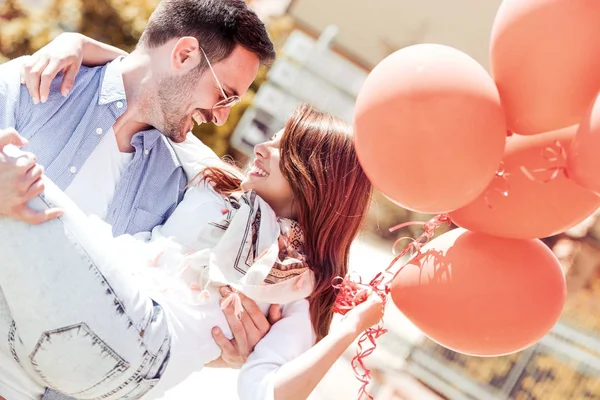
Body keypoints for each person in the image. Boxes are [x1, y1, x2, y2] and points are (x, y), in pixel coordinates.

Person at [0, 0, 291, 398]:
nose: (221, 117)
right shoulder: (35, 86)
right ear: (184, 54)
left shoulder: (181, 181)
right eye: (224, 95)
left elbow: (138, 317)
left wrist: (224, 351)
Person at [0, 102, 383, 400]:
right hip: (95, 320)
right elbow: (153, 103)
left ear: (314, 177)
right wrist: (81, 44)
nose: (263, 147)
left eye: (283, 147)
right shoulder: (224, 186)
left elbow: (263, 392)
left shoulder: (298, 282)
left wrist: (350, 329)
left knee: (15, 173)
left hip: (146, 343)